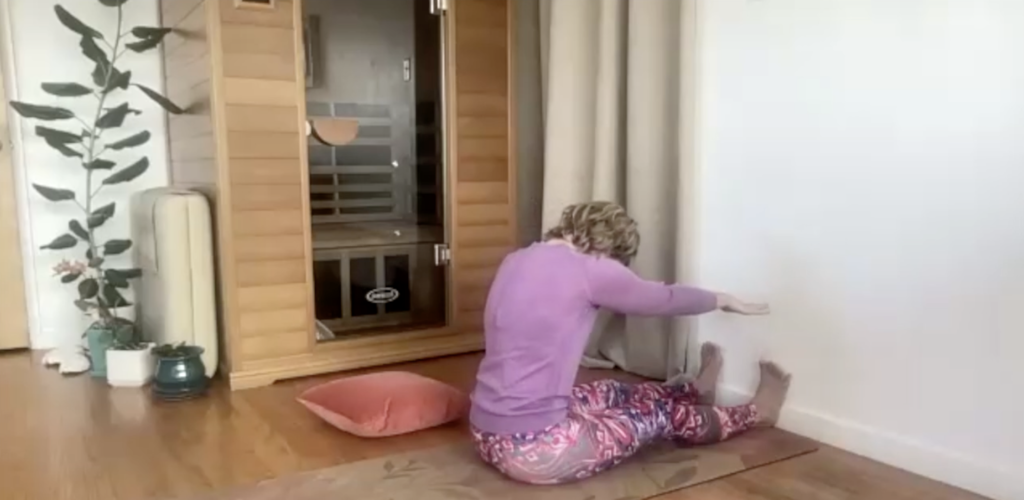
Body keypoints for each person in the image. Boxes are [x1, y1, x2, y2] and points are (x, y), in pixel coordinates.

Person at [469, 201, 791, 485]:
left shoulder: (517, 259)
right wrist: (722, 299)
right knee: (664, 416)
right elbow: (661, 298)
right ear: (613, 250)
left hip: (486, 433)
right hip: (536, 450)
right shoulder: (591, 269)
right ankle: (756, 413)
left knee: (610, 392)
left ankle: (692, 390)